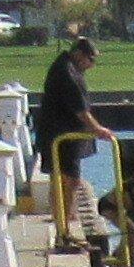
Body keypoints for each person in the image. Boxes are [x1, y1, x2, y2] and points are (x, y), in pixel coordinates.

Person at [36, 33, 105, 245]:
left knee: (60, 179)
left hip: (60, 134)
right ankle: (63, 229)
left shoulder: (67, 67)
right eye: (90, 60)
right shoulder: (67, 73)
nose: (91, 65)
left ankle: (63, 223)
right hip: (62, 136)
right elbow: (80, 110)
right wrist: (99, 129)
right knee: (70, 180)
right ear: (78, 54)